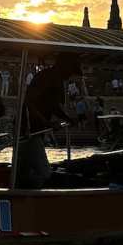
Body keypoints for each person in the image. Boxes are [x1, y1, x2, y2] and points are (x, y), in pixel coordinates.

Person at [16, 52, 84, 188]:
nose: (69, 75)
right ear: (64, 66)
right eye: (70, 71)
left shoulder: (57, 79)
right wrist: (47, 123)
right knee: (44, 173)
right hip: (28, 131)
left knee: (24, 170)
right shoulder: (47, 77)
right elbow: (29, 102)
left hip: (37, 131)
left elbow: (52, 106)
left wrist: (68, 119)